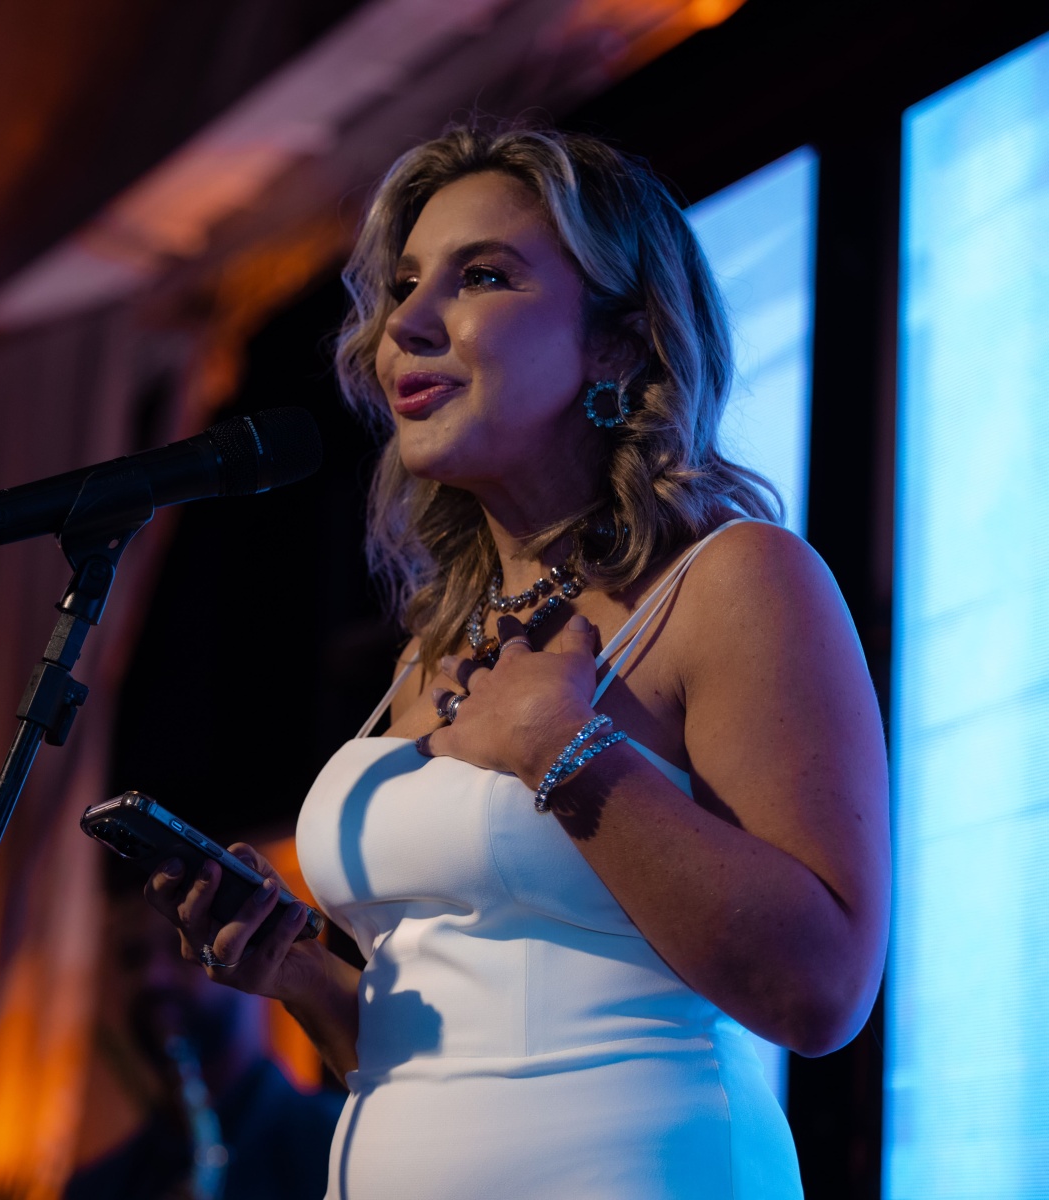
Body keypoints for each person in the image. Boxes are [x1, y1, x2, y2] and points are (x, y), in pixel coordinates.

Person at [142, 122, 889, 1198]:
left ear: (620, 343)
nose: (407, 322)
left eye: (482, 276)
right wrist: (300, 974)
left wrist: (564, 749)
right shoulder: (434, 642)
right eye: (405, 287)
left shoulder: (735, 579)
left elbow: (820, 992)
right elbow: (443, 1065)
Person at [66, 865, 343, 1200]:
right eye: (133, 957)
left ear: (251, 952)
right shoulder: (95, 1188)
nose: (152, 977)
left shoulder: (344, 1146)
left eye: (182, 947)